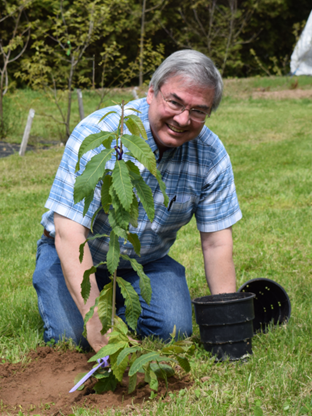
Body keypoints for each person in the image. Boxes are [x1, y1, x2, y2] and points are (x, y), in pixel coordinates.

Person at [32, 49, 242, 352]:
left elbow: (216, 242)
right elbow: (69, 232)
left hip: (144, 262)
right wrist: (94, 319)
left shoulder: (210, 154)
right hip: (74, 251)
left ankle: (116, 306)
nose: (183, 119)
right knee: (74, 337)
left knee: (173, 330)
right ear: (151, 93)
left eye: (198, 111)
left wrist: (227, 321)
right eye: (175, 102)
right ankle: (94, 304)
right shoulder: (101, 135)